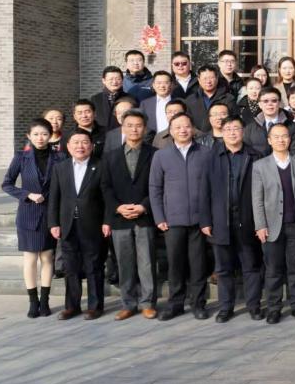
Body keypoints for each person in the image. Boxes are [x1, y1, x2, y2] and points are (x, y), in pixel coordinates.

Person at [149, 112, 213, 321]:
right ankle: (175, 304)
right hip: (172, 220)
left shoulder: (205, 153)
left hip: (199, 220)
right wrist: (159, 217)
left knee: (198, 264)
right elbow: (155, 188)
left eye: (186, 126)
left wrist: (209, 218)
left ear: (193, 129)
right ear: (170, 131)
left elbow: (213, 187)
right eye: (177, 127)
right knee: (175, 265)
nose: (183, 130)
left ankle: (198, 304)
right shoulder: (161, 156)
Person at [204, 115, 265, 323]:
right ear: (222, 132)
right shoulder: (212, 157)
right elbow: (204, 191)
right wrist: (205, 221)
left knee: (251, 267)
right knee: (223, 269)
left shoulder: (255, 156)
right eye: (228, 129)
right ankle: (225, 307)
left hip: (247, 221)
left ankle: (254, 306)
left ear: (243, 131)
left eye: (236, 128)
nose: (232, 133)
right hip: (221, 221)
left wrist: (260, 222)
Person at [99, 110, 158, 321]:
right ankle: (128, 303)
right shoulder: (110, 156)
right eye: (130, 125)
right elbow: (105, 187)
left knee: (147, 262)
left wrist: (144, 206)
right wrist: (118, 207)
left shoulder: (155, 154)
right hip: (120, 218)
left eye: (138, 125)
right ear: (122, 128)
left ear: (145, 128)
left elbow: (158, 186)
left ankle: (148, 303)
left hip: (145, 216)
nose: (134, 129)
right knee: (124, 263)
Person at [3, 119, 61, 318]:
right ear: (28, 136)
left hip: (50, 214)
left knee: (47, 257)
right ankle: (33, 301)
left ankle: (45, 301)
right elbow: (7, 184)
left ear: (50, 135)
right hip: (28, 214)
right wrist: (27, 194)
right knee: (30, 259)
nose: (40, 138)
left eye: (44, 134)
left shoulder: (60, 157)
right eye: (35, 134)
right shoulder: (21, 157)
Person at [252, 123, 295, 324]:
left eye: (284, 136)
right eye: (276, 137)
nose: (281, 140)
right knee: (273, 270)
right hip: (271, 226)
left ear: (290, 139)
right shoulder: (260, 166)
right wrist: (260, 225)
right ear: (269, 140)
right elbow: (257, 199)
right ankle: (274, 308)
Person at [48, 130, 105, 320]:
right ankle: (72, 306)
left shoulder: (100, 166)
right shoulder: (60, 168)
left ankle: (95, 306)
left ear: (91, 146)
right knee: (70, 268)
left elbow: (106, 197)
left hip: (93, 224)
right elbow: (54, 198)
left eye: (84, 142)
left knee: (93, 266)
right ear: (68, 146)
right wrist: (53, 223)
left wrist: (107, 222)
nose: (80, 146)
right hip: (67, 225)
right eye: (76, 142)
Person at [244, 87, 295, 155]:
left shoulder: (293, 127)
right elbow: (247, 155)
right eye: (265, 101)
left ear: (279, 103)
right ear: (259, 104)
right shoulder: (250, 129)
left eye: (274, 101)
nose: (270, 104)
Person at [185, 65, 236, 133]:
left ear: (217, 78)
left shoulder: (228, 99)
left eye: (211, 78)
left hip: (222, 136)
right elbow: (187, 121)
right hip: (197, 137)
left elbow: (234, 121)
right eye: (205, 78)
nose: (208, 81)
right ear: (199, 80)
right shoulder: (191, 100)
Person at [90, 66, 129, 132]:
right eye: (111, 79)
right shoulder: (95, 99)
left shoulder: (130, 99)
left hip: (122, 134)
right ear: (103, 81)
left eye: (118, 79)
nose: (114, 82)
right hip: (100, 135)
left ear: (122, 80)